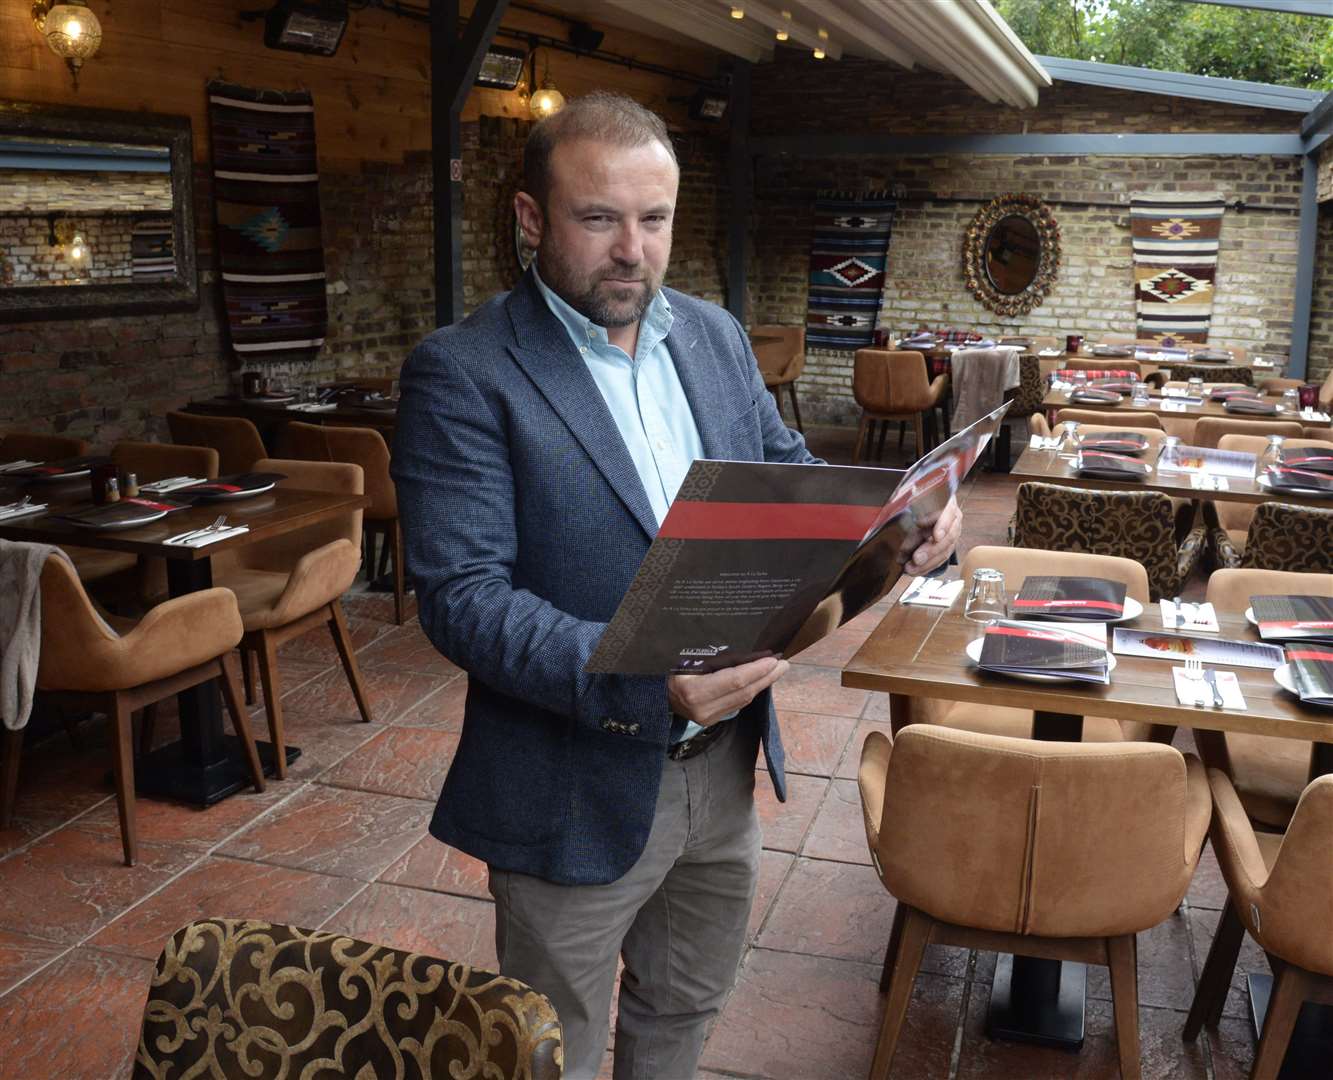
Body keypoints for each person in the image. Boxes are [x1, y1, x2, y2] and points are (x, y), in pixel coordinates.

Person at [391, 91, 962, 1080]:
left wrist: (906, 517)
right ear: (531, 219)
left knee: (682, 1010)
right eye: (598, 218)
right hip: (566, 785)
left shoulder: (711, 336)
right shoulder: (464, 372)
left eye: (652, 220)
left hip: (723, 768)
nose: (631, 250)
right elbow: (462, 596)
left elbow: (792, 479)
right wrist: (638, 680)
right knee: (550, 1047)